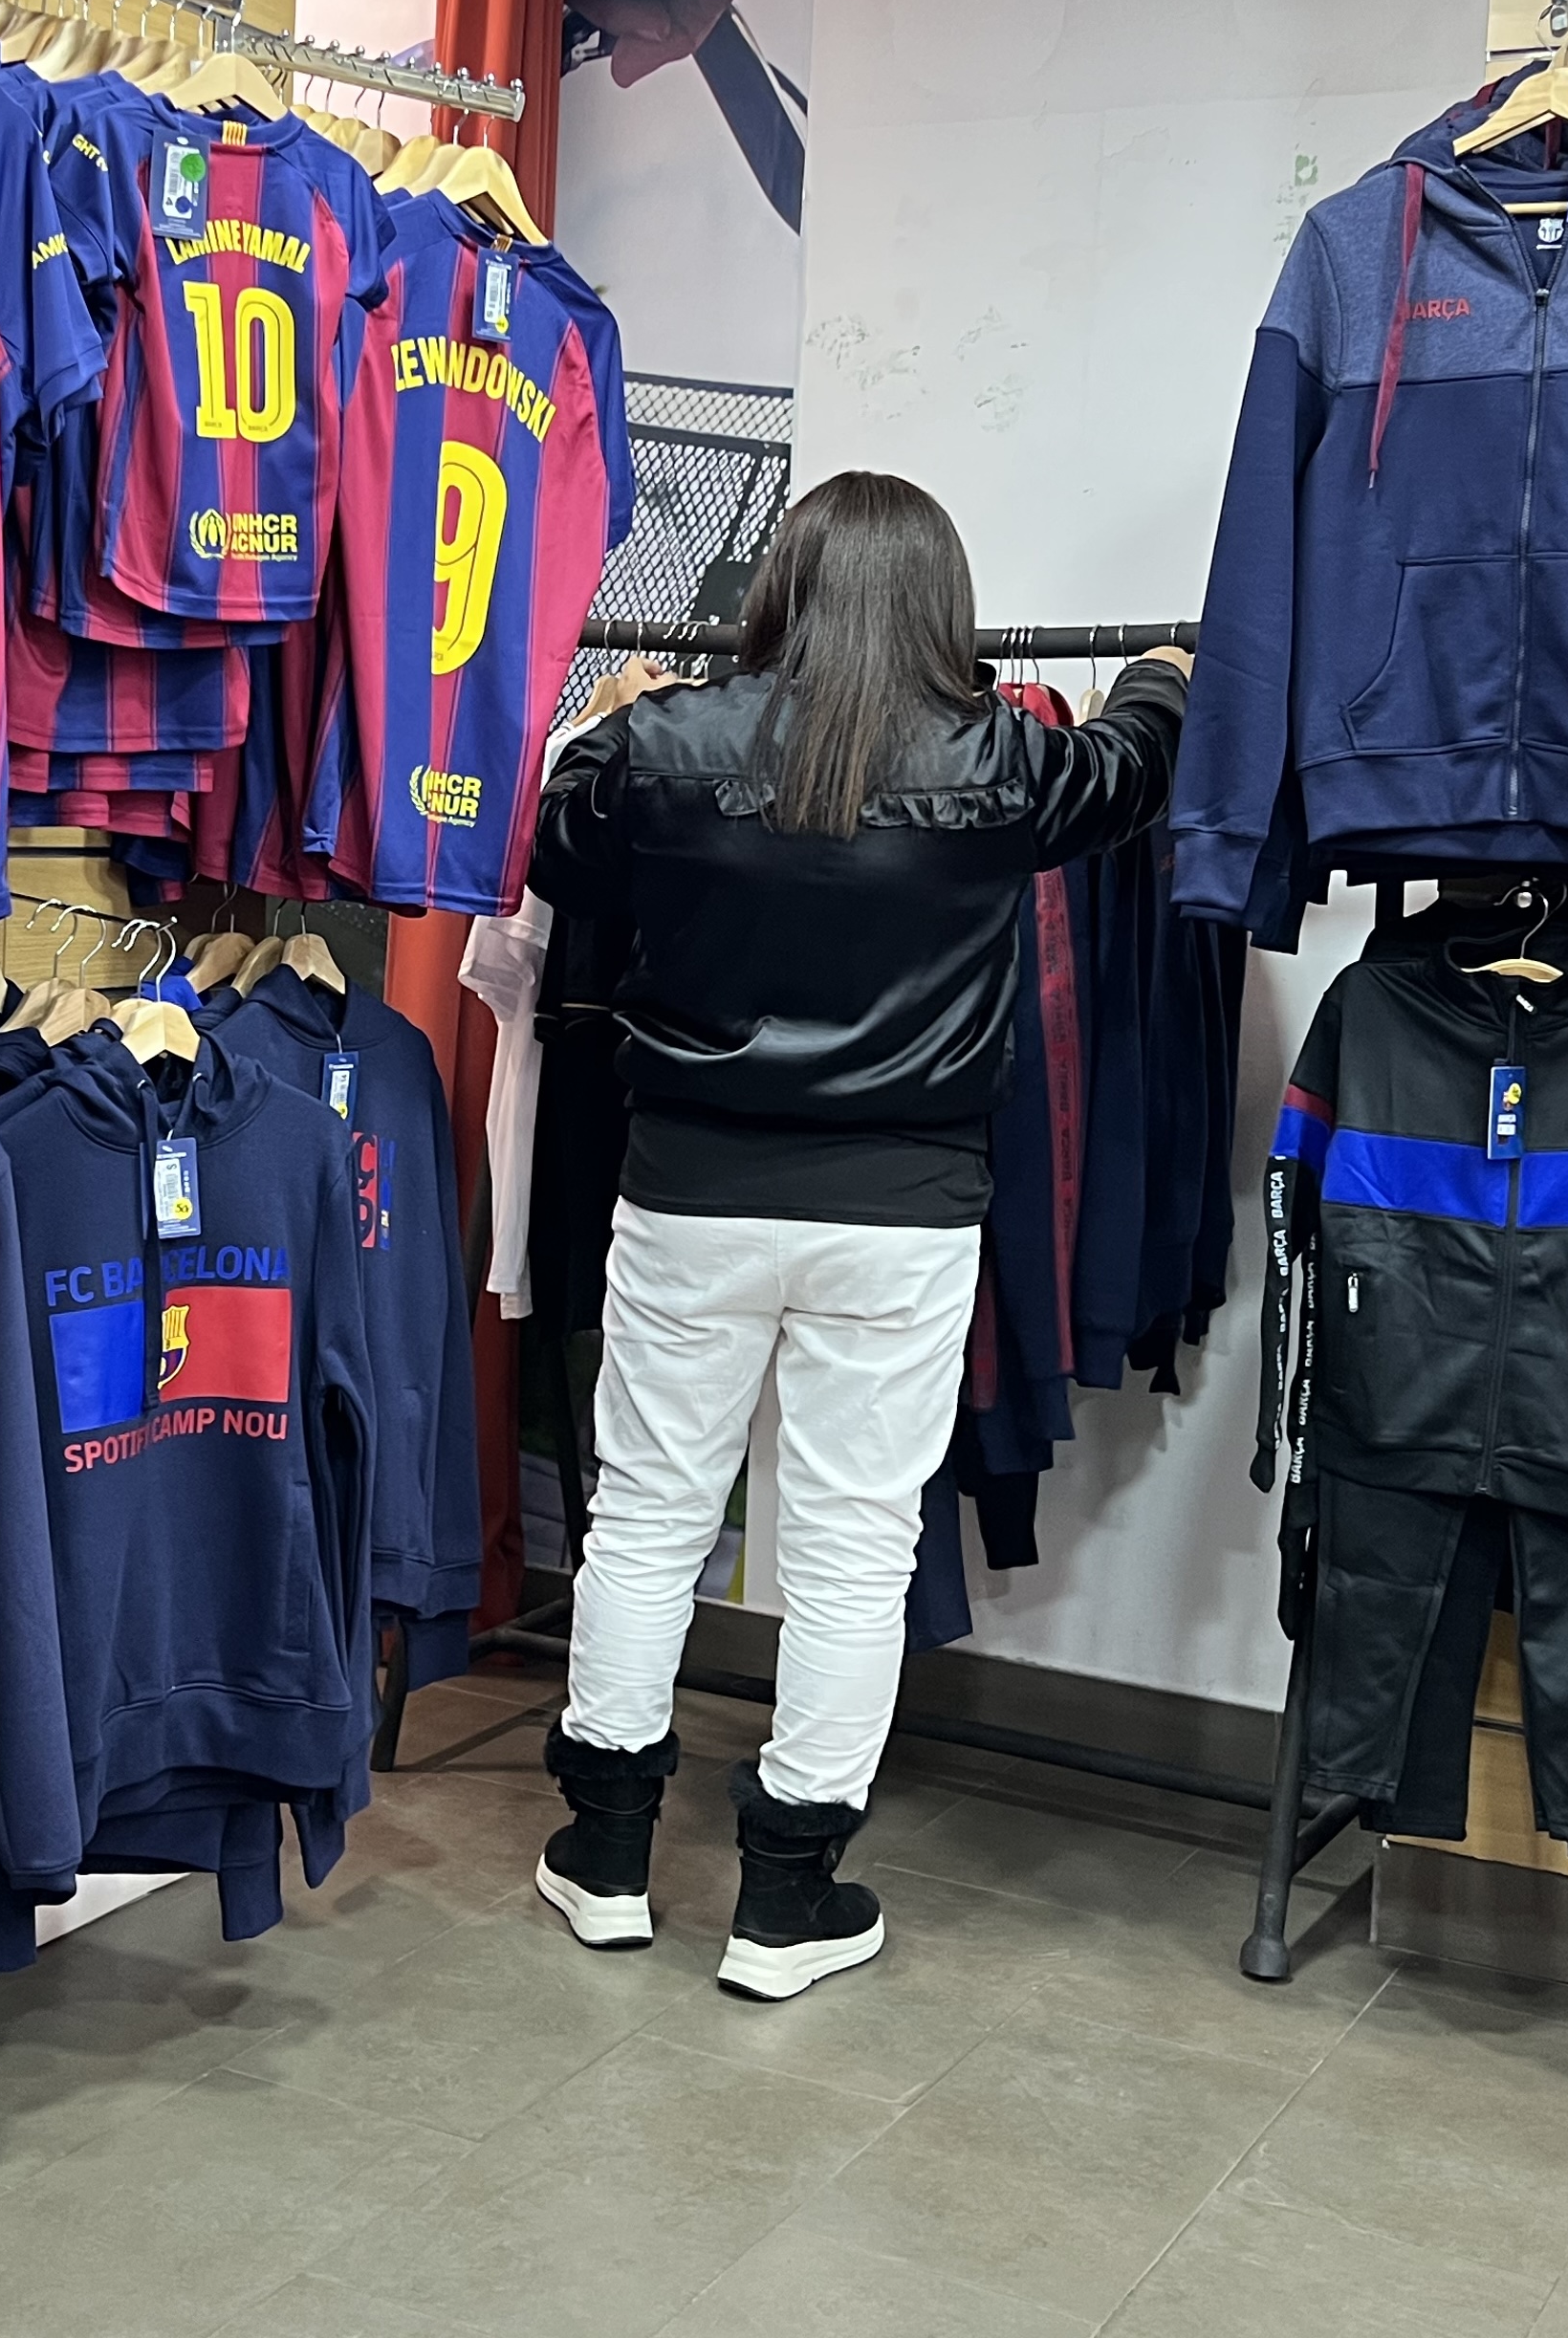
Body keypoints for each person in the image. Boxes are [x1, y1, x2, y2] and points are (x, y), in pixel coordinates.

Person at [523, 470, 1191, 1999]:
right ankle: (785, 1896)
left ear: (781, 589)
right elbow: (1130, 770)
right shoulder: (998, 762)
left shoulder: (665, 745)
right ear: (939, 610)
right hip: (896, 1217)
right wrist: (1162, 670)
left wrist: (606, 714)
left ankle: (609, 1859)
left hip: (691, 1191)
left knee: (646, 1520)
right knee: (849, 1551)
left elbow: (558, 853)